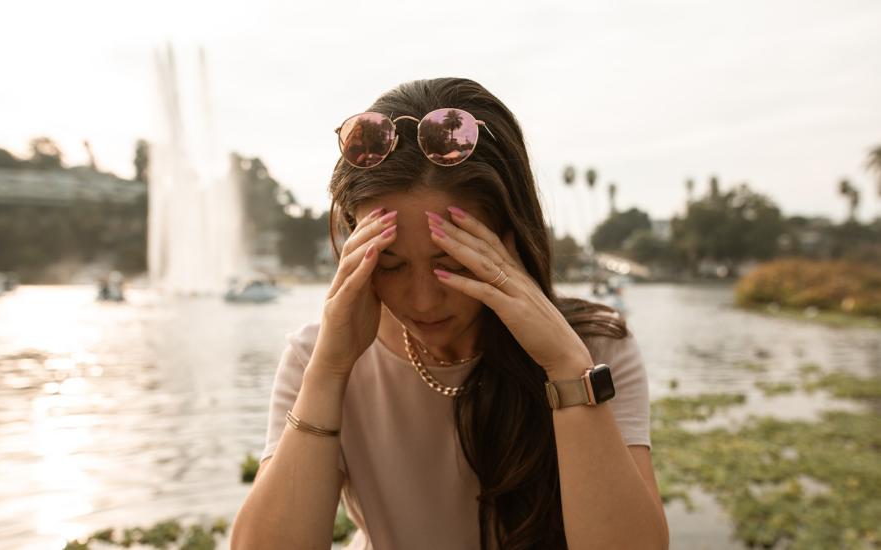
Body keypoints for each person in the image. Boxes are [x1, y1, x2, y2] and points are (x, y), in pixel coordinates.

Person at [232, 78, 669, 550]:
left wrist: (565, 368)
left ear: (511, 239)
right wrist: (329, 372)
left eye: (454, 265)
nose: (421, 300)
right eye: (391, 264)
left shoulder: (593, 348)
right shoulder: (315, 358)